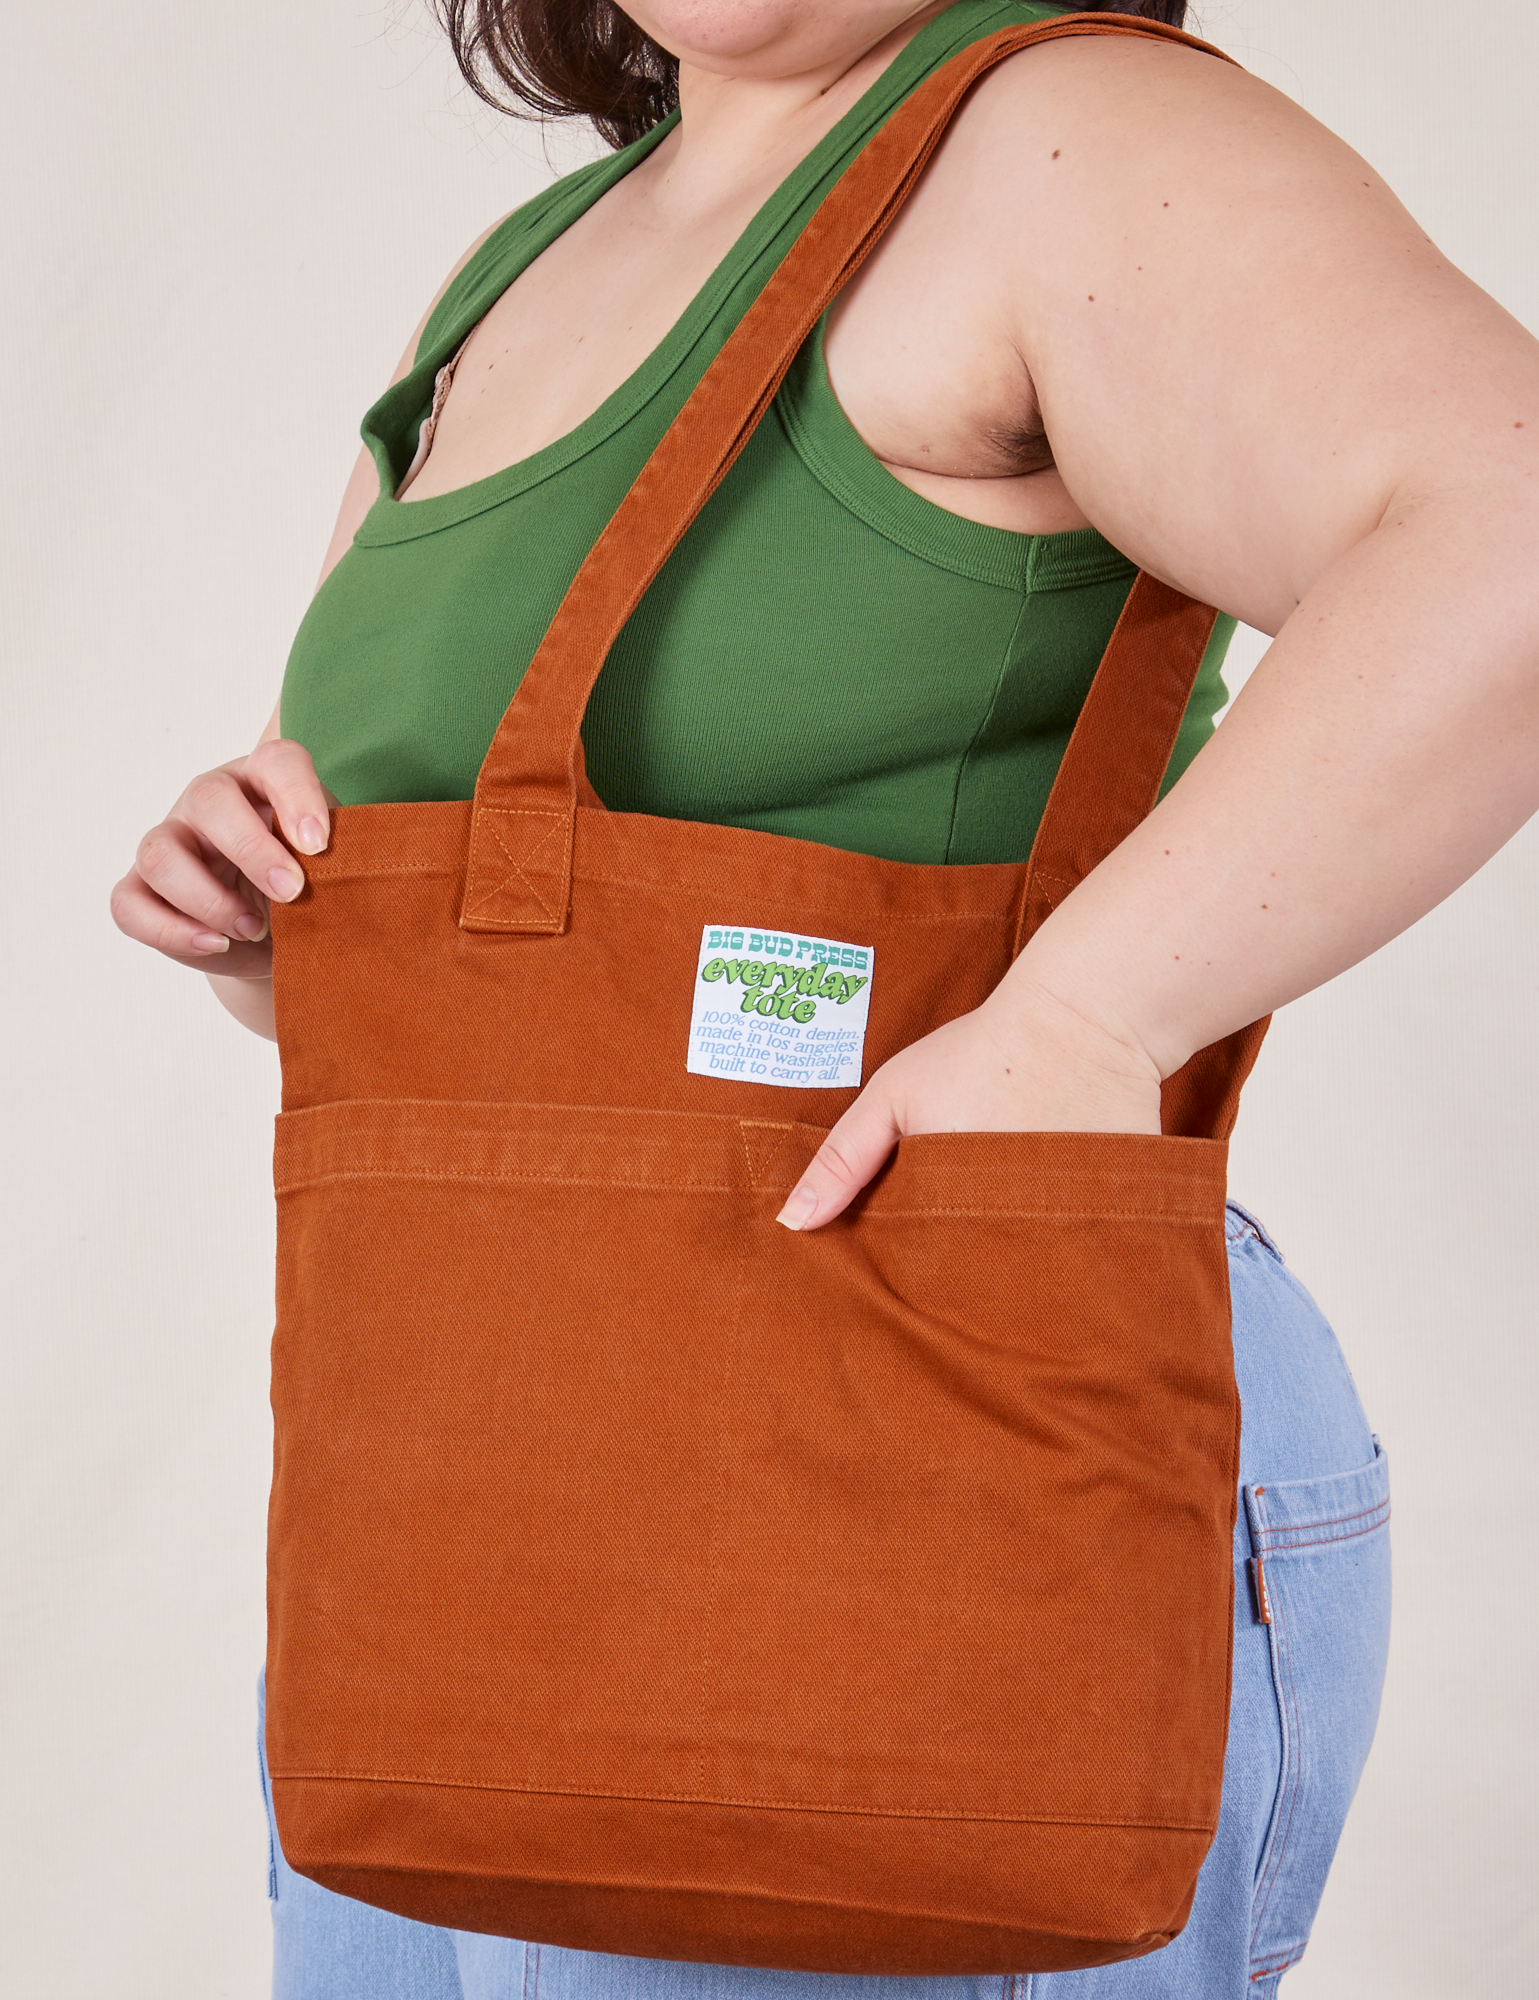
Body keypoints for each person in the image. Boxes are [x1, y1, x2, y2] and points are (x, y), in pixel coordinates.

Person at [110, 0, 1538, 1993]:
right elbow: (551, 957)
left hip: (894, 1473)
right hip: (472, 1514)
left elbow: (1508, 530)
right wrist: (281, 916)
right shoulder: (523, 268)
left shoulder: (1063, 139)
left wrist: (1086, 1019)